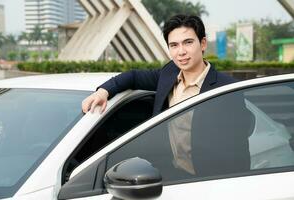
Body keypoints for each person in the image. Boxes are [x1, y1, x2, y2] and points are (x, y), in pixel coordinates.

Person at [82, 14, 253, 177]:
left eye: (188, 42)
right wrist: (103, 91)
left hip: (207, 180)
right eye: (174, 45)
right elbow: (133, 77)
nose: (181, 52)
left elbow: (238, 151)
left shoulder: (227, 88)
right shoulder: (169, 73)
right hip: (169, 174)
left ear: (203, 44)